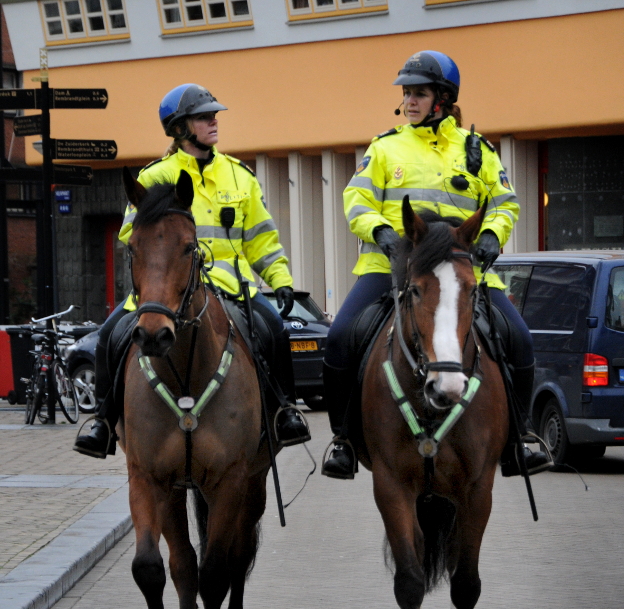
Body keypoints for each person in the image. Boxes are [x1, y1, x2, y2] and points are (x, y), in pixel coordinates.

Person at [321, 50, 552, 479]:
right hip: (392, 268)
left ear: (442, 99)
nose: (409, 101)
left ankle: (520, 439)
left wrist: (490, 236)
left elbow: (505, 204)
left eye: (419, 93)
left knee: (519, 338)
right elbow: (356, 199)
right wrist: (380, 232)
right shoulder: (386, 147)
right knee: (339, 338)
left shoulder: (476, 150)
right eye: (406, 93)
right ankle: (344, 441)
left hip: (465, 272)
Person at [74, 83, 309, 458]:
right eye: (204, 117)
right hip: (164, 290)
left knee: (276, 331)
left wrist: (280, 280)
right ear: (181, 128)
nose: (214, 122)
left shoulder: (240, 176)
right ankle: (103, 422)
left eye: (214, 115)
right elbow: (130, 236)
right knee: (108, 336)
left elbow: (261, 239)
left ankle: (284, 412)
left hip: (231, 287)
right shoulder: (152, 178)